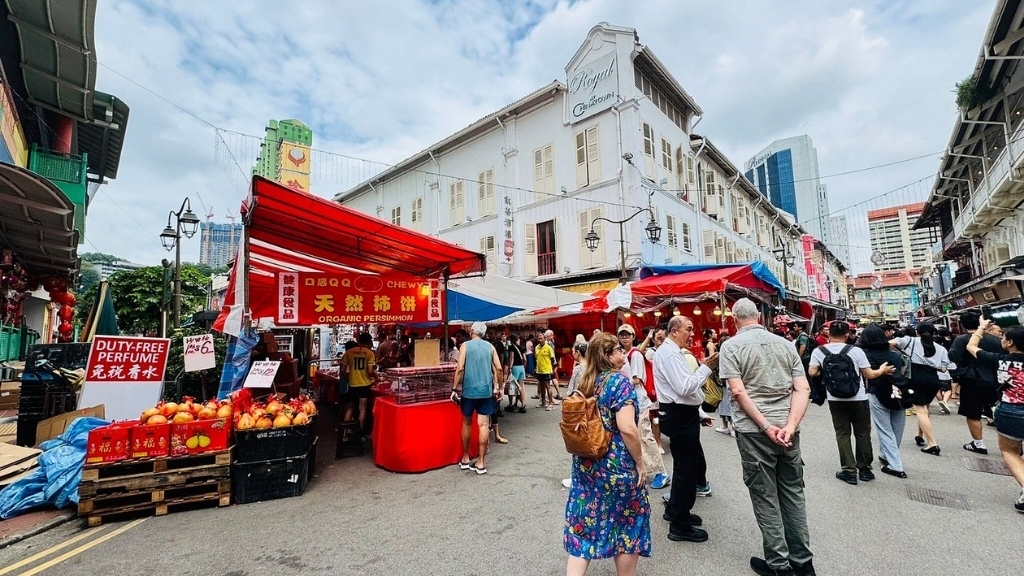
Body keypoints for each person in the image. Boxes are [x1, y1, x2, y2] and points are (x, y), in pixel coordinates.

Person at [718, 298, 816, 576]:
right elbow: (802, 389)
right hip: (788, 429)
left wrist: (765, 426)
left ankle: (779, 564)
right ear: (759, 316)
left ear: (735, 319)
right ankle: (803, 562)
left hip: (754, 432)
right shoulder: (785, 345)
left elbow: (738, 391)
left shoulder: (731, 346)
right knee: (793, 493)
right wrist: (790, 425)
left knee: (765, 496)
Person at [564, 333, 651, 575]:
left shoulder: (587, 381)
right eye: (619, 351)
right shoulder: (619, 382)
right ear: (607, 355)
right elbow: (627, 428)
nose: (623, 354)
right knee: (628, 526)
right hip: (616, 466)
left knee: (583, 529)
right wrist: (640, 462)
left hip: (586, 463)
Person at [654, 315, 716, 543]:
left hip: (683, 413)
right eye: (688, 329)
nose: (692, 334)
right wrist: (705, 368)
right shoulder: (670, 353)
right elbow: (684, 387)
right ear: (674, 331)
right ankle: (679, 523)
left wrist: (698, 413)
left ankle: (677, 511)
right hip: (678, 415)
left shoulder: (672, 351)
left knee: (685, 466)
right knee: (686, 469)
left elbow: (685, 391)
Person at [808, 321, 893, 485]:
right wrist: (882, 370)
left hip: (835, 399)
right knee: (862, 433)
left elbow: (812, 371)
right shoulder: (856, 351)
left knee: (842, 434)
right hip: (859, 397)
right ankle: (865, 470)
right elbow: (869, 375)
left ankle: (849, 470)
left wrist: (824, 371)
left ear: (828, 334)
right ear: (847, 335)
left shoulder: (819, 351)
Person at [966, 320, 1024, 514]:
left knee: (1010, 451)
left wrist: (981, 327)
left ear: (1010, 343)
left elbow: (971, 346)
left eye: (1004, 337)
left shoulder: (997, 360)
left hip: (1010, 411)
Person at [891, 323, 955, 456]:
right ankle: (919, 435)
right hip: (933, 379)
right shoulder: (940, 348)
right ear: (933, 333)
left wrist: (901, 354)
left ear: (917, 332)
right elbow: (945, 368)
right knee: (925, 407)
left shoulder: (909, 340)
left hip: (916, 378)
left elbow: (889, 343)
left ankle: (932, 443)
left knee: (920, 409)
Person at [619, 324, 670, 490]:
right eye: (622, 335)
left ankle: (661, 472)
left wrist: (618, 381)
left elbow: (637, 379)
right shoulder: (625, 354)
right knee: (638, 437)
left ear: (633, 336)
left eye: (627, 334)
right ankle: (644, 470)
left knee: (646, 436)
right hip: (632, 402)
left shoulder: (636, 355)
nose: (624, 337)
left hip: (640, 402)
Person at [858, 324, 909, 478]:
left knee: (884, 428)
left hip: (877, 392)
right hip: (899, 393)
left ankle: (895, 465)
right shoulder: (895, 354)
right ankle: (887, 455)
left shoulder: (865, 355)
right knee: (897, 427)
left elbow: (867, 375)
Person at [949, 311, 1003, 455]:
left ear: (962, 324)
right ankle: (1010, 443)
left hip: (971, 380)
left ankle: (979, 443)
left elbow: (954, 356)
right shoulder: (994, 340)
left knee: (973, 413)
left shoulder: (961, 339)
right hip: (995, 380)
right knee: (998, 410)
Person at [453, 322, 503, 475]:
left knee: (467, 423)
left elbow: (460, 368)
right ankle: (481, 462)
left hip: (468, 391)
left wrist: (454, 388)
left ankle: (466, 458)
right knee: (483, 425)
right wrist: (498, 387)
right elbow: (499, 368)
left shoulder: (465, 346)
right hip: (486, 391)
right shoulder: (490, 347)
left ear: (472, 331)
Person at [562, 339, 589, 489]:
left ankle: (576, 477)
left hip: (578, 410)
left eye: (573, 351)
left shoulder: (578, 369)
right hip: (590, 409)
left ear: (578, 353)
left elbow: (570, 392)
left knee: (576, 445)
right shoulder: (592, 368)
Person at [341, 332, 377, 441]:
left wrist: (349, 378)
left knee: (350, 408)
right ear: (369, 342)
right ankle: (358, 435)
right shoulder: (370, 353)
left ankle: (344, 435)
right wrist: (376, 377)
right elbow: (370, 371)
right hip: (364, 385)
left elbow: (343, 370)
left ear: (359, 341)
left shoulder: (349, 352)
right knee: (362, 409)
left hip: (353, 384)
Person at [640, 327, 667, 453]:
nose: (661, 342)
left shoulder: (669, 351)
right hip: (653, 389)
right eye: (658, 339)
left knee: (660, 418)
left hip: (665, 389)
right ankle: (657, 442)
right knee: (653, 418)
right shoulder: (651, 353)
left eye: (663, 338)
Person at [535, 331, 558, 411]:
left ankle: (551, 403)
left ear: (545, 339)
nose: (540, 340)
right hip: (539, 370)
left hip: (547, 370)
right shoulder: (536, 347)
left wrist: (551, 368)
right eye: (539, 339)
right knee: (541, 386)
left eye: (541, 338)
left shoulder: (549, 348)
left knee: (548, 386)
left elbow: (552, 359)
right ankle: (543, 401)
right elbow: (537, 358)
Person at [505, 334, 527, 413]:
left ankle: (511, 404)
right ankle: (523, 405)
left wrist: (510, 368)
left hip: (515, 367)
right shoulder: (522, 348)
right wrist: (524, 367)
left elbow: (512, 357)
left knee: (511, 386)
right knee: (520, 387)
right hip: (521, 368)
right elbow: (525, 359)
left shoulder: (511, 347)